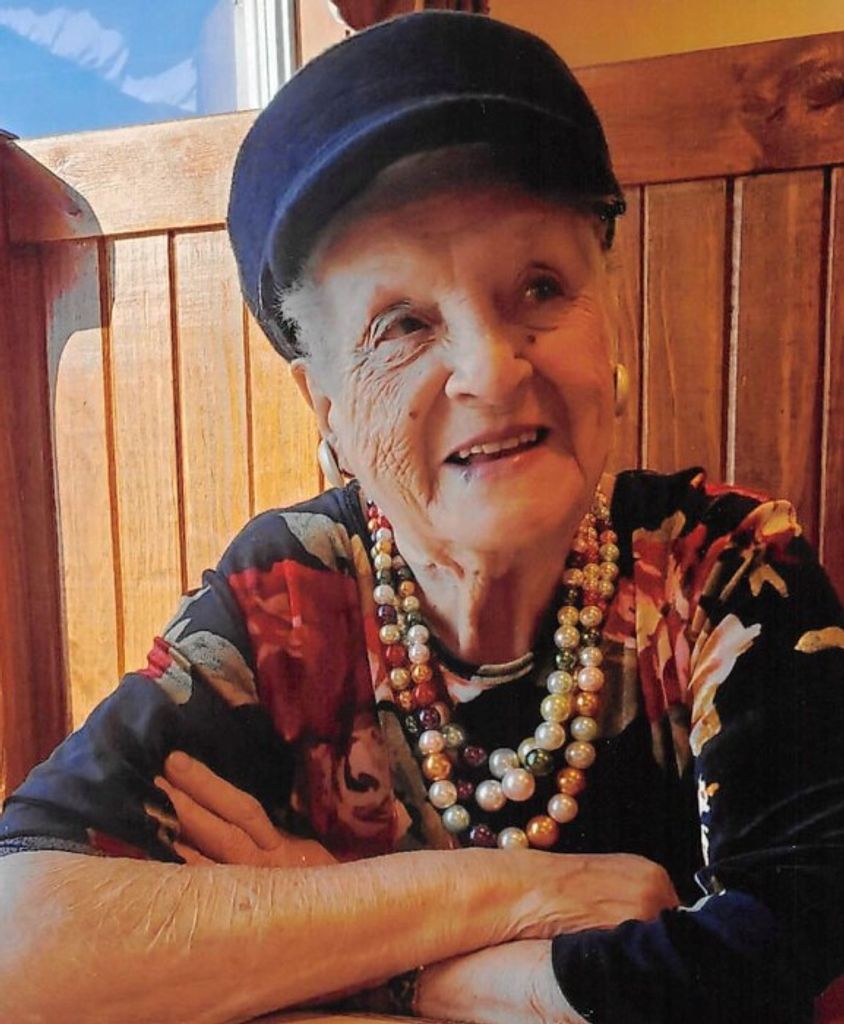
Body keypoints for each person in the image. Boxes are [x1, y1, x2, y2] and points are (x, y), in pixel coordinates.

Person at [1, 11, 843, 1024]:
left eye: (540, 286)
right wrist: (539, 898)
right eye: (402, 323)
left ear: (609, 323)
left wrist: (344, 950)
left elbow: (785, 949)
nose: (491, 368)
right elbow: (19, 936)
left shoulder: (724, 566)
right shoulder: (287, 594)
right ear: (327, 411)